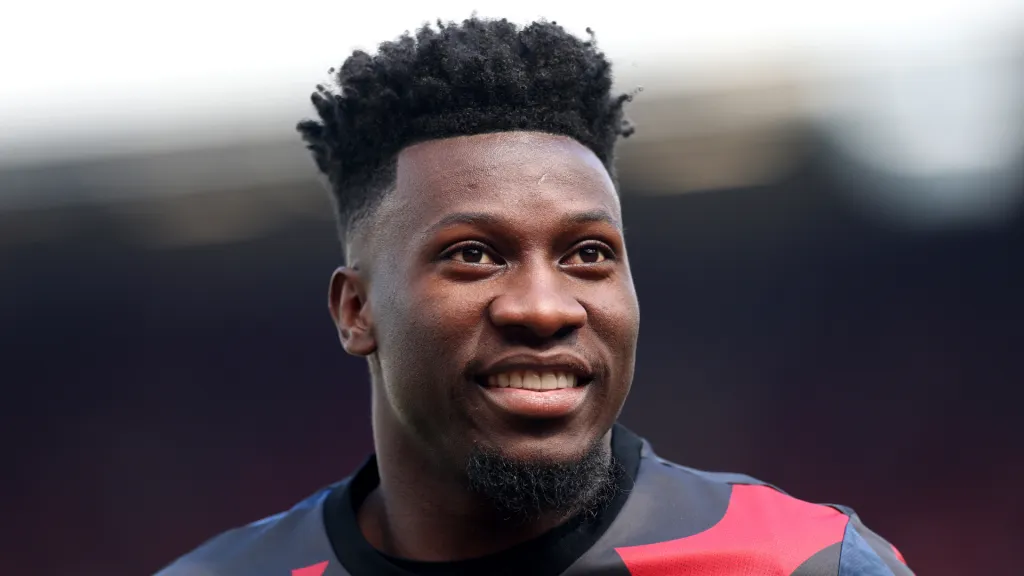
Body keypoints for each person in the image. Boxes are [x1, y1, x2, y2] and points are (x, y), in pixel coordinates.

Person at [158, 17, 913, 576]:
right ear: (357, 311)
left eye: (588, 254)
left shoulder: (806, 563)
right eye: (474, 256)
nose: (545, 308)